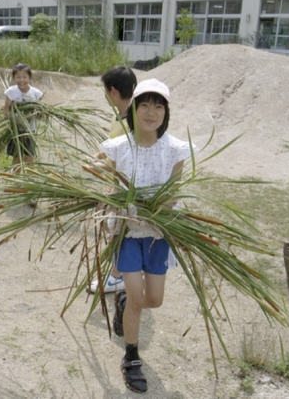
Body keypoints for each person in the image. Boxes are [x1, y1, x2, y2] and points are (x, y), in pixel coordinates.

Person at [99, 78, 190, 394]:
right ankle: (131, 357)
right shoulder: (118, 148)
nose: (152, 112)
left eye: (159, 105)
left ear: (166, 112)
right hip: (127, 232)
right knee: (140, 299)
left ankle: (122, 300)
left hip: (157, 235)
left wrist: (155, 208)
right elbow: (110, 191)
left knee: (154, 299)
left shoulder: (175, 150)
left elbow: (173, 194)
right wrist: (115, 209)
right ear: (133, 109)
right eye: (145, 104)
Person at [88, 66, 137, 295]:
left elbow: (126, 158)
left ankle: (117, 276)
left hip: (125, 187)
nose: (105, 96)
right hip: (117, 184)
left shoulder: (132, 122)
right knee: (118, 229)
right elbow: (113, 146)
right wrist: (100, 155)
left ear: (114, 92)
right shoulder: (121, 116)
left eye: (105, 91)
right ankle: (124, 273)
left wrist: (97, 166)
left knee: (119, 230)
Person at [2, 63, 43, 170]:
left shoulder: (36, 93)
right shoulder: (11, 92)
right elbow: (6, 109)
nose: (21, 80)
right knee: (17, 156)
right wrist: (8, 122)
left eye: (24, 77)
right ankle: (15, 177)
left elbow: (40, 111)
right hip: (16, 129)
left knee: (30, 156)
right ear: (14, 78)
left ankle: (29, 177)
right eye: (18, 77)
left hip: (30, 129)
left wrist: (38, 113)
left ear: (29, 77)